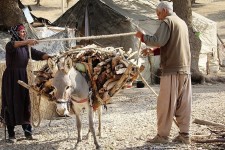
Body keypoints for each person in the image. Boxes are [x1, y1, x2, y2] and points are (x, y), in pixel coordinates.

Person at [136, 1, 192, 144]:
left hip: (172, 69)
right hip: (184, 70)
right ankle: (185, 135)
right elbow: (172, 44)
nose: (158, 17)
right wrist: (153, 51)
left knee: (165, 105)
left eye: (159, 13)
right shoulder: (181, 23)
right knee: (183, 104)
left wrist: (142, 36)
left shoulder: (167, 21)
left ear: (165, 11)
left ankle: (162, 136)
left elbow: (159, 40)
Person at [1, 24, 51, 143]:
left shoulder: (26, 48)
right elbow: (14, 45)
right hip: (11, 78)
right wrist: (28, 41)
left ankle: (28, 133)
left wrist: (49, 57)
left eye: (24, 31)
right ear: (15, 33)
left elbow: (38, 54)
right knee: (10, 102)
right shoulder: (10, 45)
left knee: (24, 102)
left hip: (22, 76)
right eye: (21, 32)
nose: (23, 33)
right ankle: (12, 135)